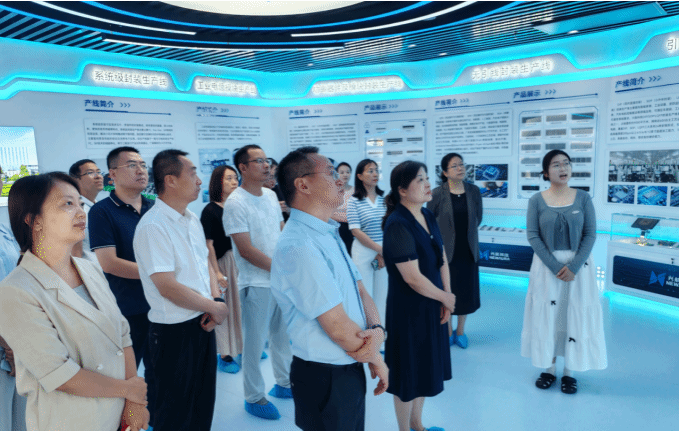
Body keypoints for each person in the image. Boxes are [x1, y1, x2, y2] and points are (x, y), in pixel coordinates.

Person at [0, 172, 149, 431]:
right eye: (67, 204)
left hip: (117, 412)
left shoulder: (89, 268)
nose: (81, 212)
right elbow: (60, 375)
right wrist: (129, 390)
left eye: (80, 203)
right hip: (72, 420)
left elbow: (122, 334)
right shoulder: (16, 291)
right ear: (34, 220)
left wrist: (133, 402)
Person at [271, 147, 388, 431]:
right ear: (303, 185)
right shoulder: (298, 245)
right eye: (330, 173)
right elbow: (336, 326)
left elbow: (361, 291)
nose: (340, 180)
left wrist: (377, 330)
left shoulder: (327, 232)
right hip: (325, 376)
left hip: (349, 364)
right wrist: (375, 356)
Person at [133, 150, 228, 430]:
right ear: (171, 180)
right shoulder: (153, 226)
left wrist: (215, 299)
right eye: (192, 173)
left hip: (202, 322)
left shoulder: (191, 219)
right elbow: (167, 286)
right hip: (173, 333)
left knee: (202, 406)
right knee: (174, 415)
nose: (199, 181)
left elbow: (205, 264)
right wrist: (214, 307)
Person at [522, 149, 607, 395]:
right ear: (545, 172)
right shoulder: (536, 201)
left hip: (579, 270)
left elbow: (590, 234)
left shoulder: (583, 198)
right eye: (556, 164)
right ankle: (548, 368)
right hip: (546, 268)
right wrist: (555, 266)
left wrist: (574, 267)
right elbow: (533, 236)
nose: (563, 168)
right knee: (548, 317)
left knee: (573, 316)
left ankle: (570, 371)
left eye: (566, 163)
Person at [382, 161, 455, 431]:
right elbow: (412, 277)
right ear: (402, 190)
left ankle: (417, 424)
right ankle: (404, 428)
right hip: (409, 310)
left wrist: (446, 296)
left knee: (424, 367)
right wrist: (444, 298)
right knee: (408, 373)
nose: (427, 184)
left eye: (427, 178)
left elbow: (441, 258)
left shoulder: (427, 215)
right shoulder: (398, 224)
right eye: (420, 180)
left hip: (432, 302)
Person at [223, 144, 293, 420]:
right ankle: (253, 397)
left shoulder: (270, 195)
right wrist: (281, 270)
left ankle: (284, 383)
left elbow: (280, 231)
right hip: (256, 283)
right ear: (243, 167)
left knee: (282, 337)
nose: (266, 166)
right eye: (259, 161)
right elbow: (246, 250)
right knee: (254, 344)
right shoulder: (235, 202)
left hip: (279, 280)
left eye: (267, 160)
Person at [88, 146, 156, 422]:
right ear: (112, 174)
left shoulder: (155, 206)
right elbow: (109, 263)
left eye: (143, 165)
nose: (141, 170)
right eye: (132, 165)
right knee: (127, 374)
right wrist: (158, 276)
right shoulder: (102, 211)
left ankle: (155, 416)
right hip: (127, 308)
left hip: (161, 304)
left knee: (161, 370)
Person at [427, 153, 482, 349]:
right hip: (445, 252)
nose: (460, 168)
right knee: (447, 290)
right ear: (445, 172)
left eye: (461, 164)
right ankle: (448, 330)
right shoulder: (437, 193)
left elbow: (478, 218)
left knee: (465, 292)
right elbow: (429, 222)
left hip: (468, 251)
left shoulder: (474, 191)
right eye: (454, 166)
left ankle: (460, 331)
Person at [200, 165, 243, 374]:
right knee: (228, 308)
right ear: (218, 182)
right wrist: (216, 273)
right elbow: (208, 245)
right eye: (228, 179)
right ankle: (225, 354)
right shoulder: (210, 211)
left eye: (235, 178)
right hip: (224, 263)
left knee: (242, 308)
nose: (234, 182)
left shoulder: (237, 207)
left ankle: (241, 346)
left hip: (241, 261)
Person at [0, 164, 27, 431]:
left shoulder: (4, 229)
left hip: (16, 342)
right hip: (6, 344)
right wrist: (8, 342)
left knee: (21, 421)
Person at [347, 159, 388, 330]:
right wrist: (379, 249)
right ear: (360, 176)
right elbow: (355, 231)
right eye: (370, 171)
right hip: (363, 251)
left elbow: (389, 227)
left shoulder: (384, 200)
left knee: (382, 294)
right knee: (364, 295)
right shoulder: (353, 201)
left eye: (376, 170)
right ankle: (365, 333)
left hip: (384, 251)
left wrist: (383, 252)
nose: (375, 174)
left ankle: (380, 334)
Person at [69, 159, 104, 251]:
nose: (98, 176)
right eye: (90, 173)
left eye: (99, 172)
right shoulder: (74, 211)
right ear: (75, 180)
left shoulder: (102, 208)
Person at [330, 161, 354, 256]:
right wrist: (345, 219)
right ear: (337, 174)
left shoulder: (356, 191)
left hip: (352, 225)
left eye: (348, 172)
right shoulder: (332, 191)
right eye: (342, 172)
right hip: (338, 225)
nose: (345, 175)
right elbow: (329, 213)